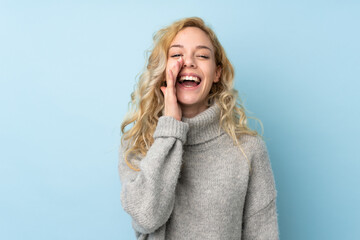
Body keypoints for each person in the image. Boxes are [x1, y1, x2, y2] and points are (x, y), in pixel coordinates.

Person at [118, 17, 279, 240]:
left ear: (217, 73)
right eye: (176, 55)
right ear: (163, 70)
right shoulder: (138, 143)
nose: (189, 62)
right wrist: (170, 128)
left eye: (202, 55)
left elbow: (263, 235)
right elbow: (147, 218)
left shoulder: (248, 149)